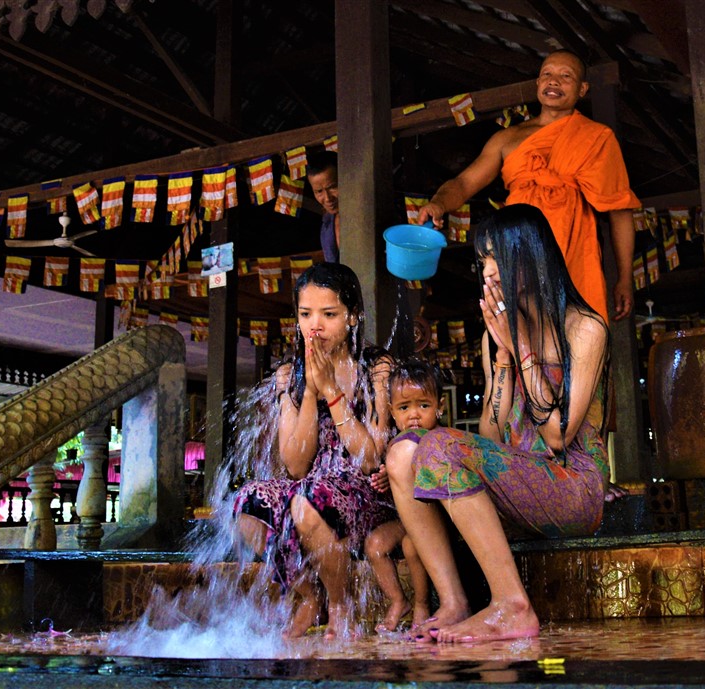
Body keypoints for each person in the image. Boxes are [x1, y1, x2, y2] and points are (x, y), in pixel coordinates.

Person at [385, 204, 610, 644]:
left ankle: (513, 605)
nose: (487, 271)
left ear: (528, 257)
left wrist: (519, 342)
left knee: (439, 446)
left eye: (495, 257)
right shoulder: (497, 337)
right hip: (518, 483)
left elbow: (559, 434)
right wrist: (503, 355)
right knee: (404, 451)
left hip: (573, 487)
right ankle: (453, 601)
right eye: (482, 260)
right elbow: (492, 436)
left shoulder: (585, 327)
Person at [233, 262, 395, 639]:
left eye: (329, 314)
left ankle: (340, 602)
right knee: (247, 504)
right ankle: (311, 595)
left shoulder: (376, 369)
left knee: (307, 501)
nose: (315, 326)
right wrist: (308, 390)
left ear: (353, 317)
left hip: (368, 493)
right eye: (305, 314)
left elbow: (370, 458)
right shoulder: (289, 375)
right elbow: (294, 465)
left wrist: (331, 391)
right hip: (313, 488)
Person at [417, 49, 640, 322]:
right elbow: (464, 183)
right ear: (538, 84)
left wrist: (625, 279)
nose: (554, 81)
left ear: (583, 89)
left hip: (573, 253)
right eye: (547, 74)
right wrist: (438, 203)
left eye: (565, 76)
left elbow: (620, 210)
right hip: (517, 249)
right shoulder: (507, 138)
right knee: (517, 335)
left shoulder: (597, 137)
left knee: (577, 334)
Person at [364, 358, 441, 633]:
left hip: (440, 518)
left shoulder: (440, 440)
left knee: (411, 545)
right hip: (407, 518)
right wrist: (387, 478)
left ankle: (422, 605)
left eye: (424, 405)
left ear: (439, 407)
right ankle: (398, 600)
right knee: (374, 545)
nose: (414, 415)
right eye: (404, 408)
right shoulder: (395, 446)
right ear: (393, 414)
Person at [306, 151, 340, 263]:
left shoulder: (369, 215)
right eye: (319, 191)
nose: (327, 198)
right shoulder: (327, 224)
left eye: (333, 187)